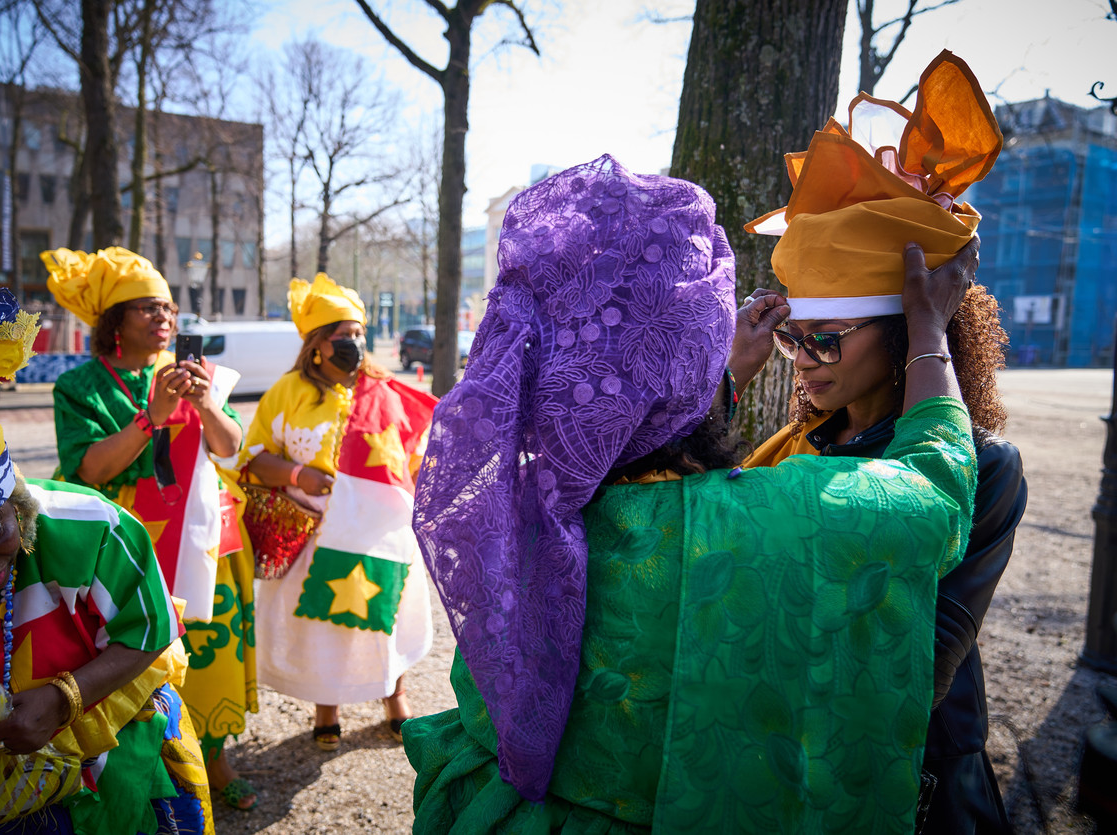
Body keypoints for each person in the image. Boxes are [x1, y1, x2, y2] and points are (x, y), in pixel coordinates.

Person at [404, 154, 979, 832]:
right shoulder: (770, 520)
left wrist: (716, 383)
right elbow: (935, 486)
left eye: (823, 339)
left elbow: (634, 453)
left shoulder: (519, 515)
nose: (802, 355)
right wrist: (930, 331)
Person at [733, 51, 1025, 834]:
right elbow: (695, 523)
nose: (800, 360)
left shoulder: (985, 468)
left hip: (916, 787)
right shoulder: (802, 441)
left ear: (908, 337)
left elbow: (917, 667)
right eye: (792, 337)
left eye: (824, 340)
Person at [0, 290, 212, 834]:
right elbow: (94, 462)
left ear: (17, 502)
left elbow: (150, 625)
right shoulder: (79, 386)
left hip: (98, 778)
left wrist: (67, 698)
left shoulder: (92, 530)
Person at [43, 247, 258, 811]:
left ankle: (213, 758)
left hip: (200, 541)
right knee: (128, 652)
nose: (163, 317)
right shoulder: (82, 386)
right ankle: (137, 766)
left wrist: (206, 403)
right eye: (145, 308)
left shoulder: (200, 375)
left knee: (210, 649)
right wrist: (152, 417)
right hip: (124, 549)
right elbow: (89, 468)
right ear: (114, 322)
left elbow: (231, 447)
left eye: (167, 307)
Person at [238, 273, 436, 751]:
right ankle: (326, 709)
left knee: (382, 611)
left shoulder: (383, 390)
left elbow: (411, 454)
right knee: (324, 622)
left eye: (357, 333)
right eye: (340, 335)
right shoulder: (287, 392)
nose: (353, 342)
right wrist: (297, 474)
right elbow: (252, 457)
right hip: (315, 529)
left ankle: (395, 698)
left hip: (377, 528)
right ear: (316, 346)